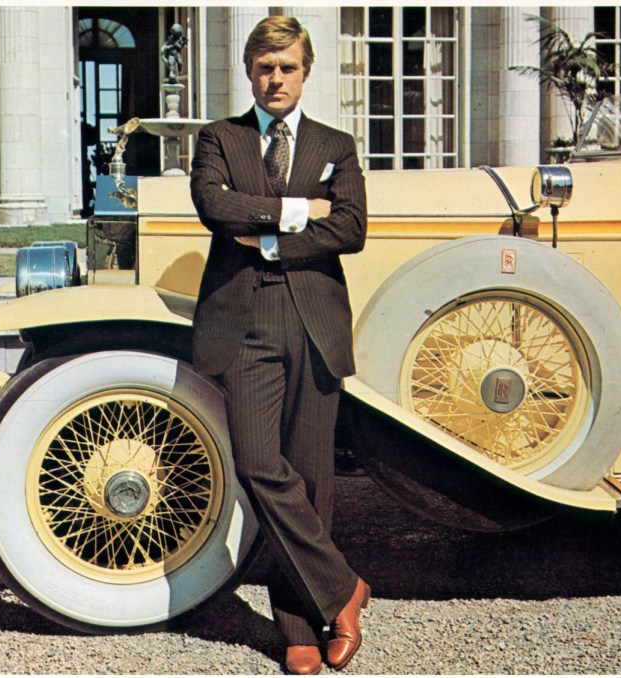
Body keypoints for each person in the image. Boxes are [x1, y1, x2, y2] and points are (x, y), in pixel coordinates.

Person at [190, 16, 369, 675]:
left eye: (287, 67)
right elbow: (215, 206)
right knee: (260, 462)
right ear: (249, 72)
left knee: (312, 476)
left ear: (306, 70)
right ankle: (345, 588)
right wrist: (301, 212)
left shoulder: (335, 145)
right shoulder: (220, 139)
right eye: (265, 68)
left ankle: (302, 628)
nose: (276, 79)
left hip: (314, 320)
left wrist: (264, 232)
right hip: (244, 322)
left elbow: (351, 228)